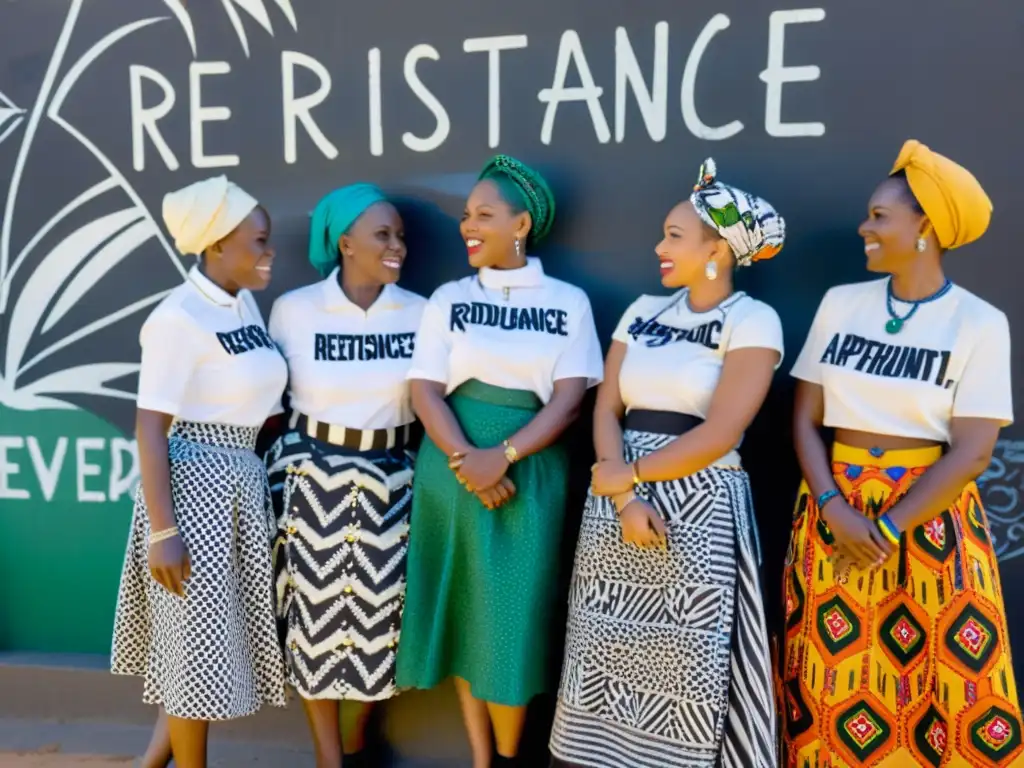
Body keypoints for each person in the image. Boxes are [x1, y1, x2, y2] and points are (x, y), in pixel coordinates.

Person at [780, 140, 1024, 766]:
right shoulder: (841, 304)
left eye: (880, 217)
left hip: (928, 522)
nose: (865, 227)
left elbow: (971, 452)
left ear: (926, 227)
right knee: (828, 686)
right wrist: (834, 506)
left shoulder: (979, 322)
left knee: (945, 687)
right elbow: (805, 419)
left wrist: (886, 526)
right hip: (833, 518)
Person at [548, 158, 784, 768]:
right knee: (605, 647)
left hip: (699, 504)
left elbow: (726, 428)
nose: (659, 247)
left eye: (675, 237)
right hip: (618, 497)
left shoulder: (753, 320)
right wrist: (623, 492)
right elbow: (607, 408)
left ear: (718, 250)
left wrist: (633, 478)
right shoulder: (643, 309)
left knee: (684, 664)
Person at [394, 154, 604, 767]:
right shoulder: (448, 298)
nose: (468, 225)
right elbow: (425, 390)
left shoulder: (567, 302)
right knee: (465, 617)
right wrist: (468, 461)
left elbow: (568, 403)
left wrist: (503, 457)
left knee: (508, 625)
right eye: (465, 215)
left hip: (529, 476)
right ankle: (483, 760)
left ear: (521, 225)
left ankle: (511, 758)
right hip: (452, 473)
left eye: (484, 214)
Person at [110, 176, 288, 768]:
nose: (268, 254)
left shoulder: (241, 302)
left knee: (201, 645)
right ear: (216, 245)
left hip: (238, 481)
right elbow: (150, 429)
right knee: (193, 648)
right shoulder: (177, 319)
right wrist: (164, 531)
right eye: (258, 242)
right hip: (194, 492)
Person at [264, 183, 425, 768]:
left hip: (394, 481)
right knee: (315, 624)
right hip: (309, 480)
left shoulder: (420, 312)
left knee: (383, 626)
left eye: (401, 236)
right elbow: (270, 397)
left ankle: (358, 745)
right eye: (383, 235)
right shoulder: (295, 310)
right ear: (344, 242)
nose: (397, 247)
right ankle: (329, 758)